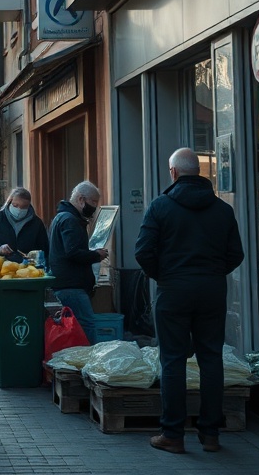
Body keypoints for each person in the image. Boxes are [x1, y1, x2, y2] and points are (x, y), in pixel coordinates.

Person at [135, 147, 245, 455]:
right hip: (212, 290)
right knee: (211, 358)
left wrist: (164, 275)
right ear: (199, 173)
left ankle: (173, 434)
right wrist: (211, 274)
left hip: (173, 290)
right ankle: (210, 434)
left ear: (173, 172)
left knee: (172, 360)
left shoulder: (160, 207)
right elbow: (236, 254)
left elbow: (143, 251)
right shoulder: (222, 210)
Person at [47, 181, 109, 344]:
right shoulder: (70, 220)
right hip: (72, 284)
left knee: (74, 324)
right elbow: (73, 252)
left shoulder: (62, 217)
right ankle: (87, 360)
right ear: (81, 199)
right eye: (93, 202)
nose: (95, 206)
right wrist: (96, 255)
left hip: (66, 282)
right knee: (86, 323)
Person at [0, 187, 49, 264]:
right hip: (3, 268)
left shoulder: (37, 223)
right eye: (15, 205)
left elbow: (45, 249)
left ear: (29, 205)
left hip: (29, 269)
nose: (19, 210)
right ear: (10, 201)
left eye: (23, 207)